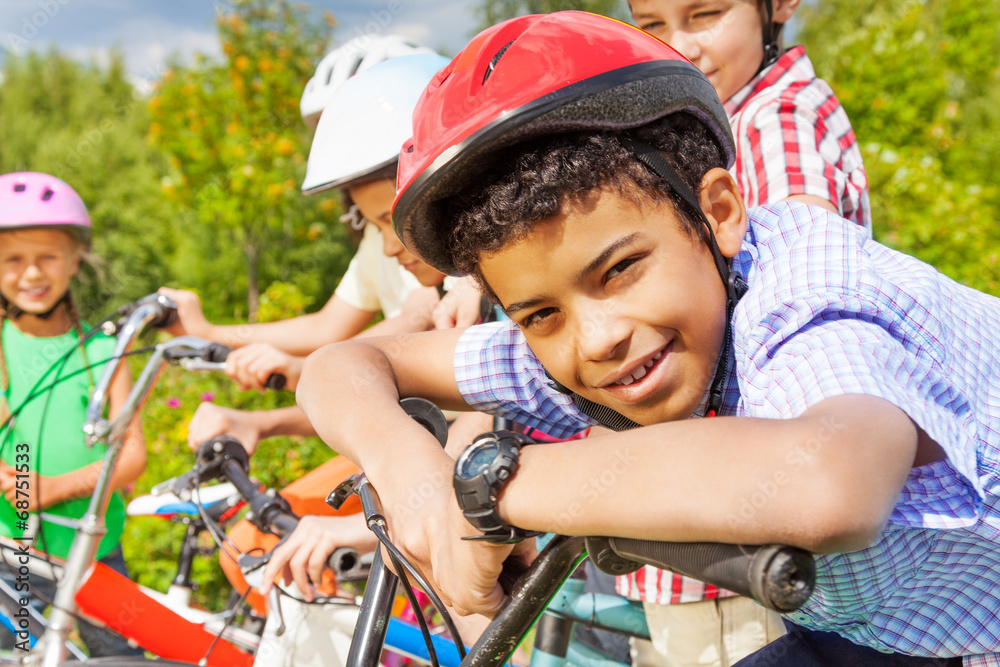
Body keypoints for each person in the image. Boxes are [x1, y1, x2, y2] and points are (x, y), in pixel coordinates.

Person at [294, 12, 1000, 666]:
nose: (596, 338)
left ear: (719, 212)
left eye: (622, 268)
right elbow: (347, 363)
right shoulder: (579, 345)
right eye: (538, 313)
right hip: (901, 634)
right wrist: (413, 478)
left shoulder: (804, 294)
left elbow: (830, 482)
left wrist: (491, 490)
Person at [0, 171, 145, 657]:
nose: (32, 274)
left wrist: (53, 488)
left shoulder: (104, 352)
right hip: (17, 557)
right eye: (13, 259)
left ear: (74, 260)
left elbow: (131, 456)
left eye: (47, 257)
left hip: (95, 551)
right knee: (22, 655)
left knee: (120, 657)